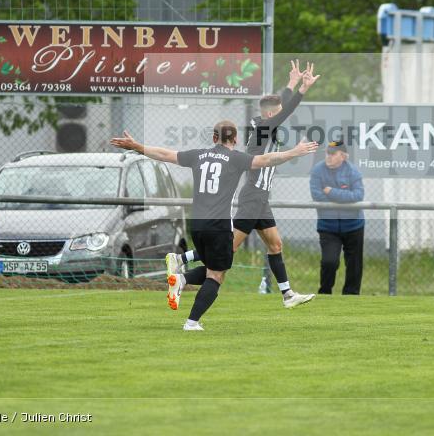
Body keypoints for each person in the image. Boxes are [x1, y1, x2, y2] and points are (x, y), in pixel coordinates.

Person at [110, 122, 317, 330]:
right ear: (235, 139)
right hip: (219, 227)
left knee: (214, 268)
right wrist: (295, 152)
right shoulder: (236, 158)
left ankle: (181, 279)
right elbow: (267, 159)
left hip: (197, 226)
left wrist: (137, 146)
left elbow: (164, 154)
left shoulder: (198, 155)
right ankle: (191, 321)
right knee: (216, 275)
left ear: (214, 138)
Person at [168, 60, 320, 309]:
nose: (281, 115)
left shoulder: (266, 124)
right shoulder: (264, 128)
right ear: (271, 115)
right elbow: (284, 111)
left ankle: (287, 295)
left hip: (261, 199)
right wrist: (302, 89)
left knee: (275, 245)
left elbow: (279, 107)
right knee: (227, 251)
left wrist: (291, 83)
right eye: (278, 113)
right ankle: (181, 268)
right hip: (253, 197)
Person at [309, 140, 365, 295]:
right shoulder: (317, 171)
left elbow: (358, 195)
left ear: (344, 156)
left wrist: (331, 192)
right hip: (328, 227)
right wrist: (344, 198)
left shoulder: (353, 172)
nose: (329, 156)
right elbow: (317, 196)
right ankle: (325, 293)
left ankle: (351, 296)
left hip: (354, 226)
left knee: (354, 265)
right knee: (329, 262)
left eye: (333, 154)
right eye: (328, 153)